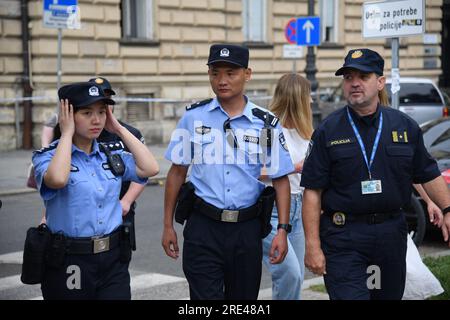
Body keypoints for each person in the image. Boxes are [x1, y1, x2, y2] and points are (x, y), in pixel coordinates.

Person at [300, 48, 450, 300]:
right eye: (348, 77)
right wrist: (312, 246)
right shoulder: (328, 130)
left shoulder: (404, 127)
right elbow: (312, 191)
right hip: (343, 237)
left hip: (389, 236)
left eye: (363, 76)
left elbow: (427, 172)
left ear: (380, 82)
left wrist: (447, 210)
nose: (354, 83)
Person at [162, 43, 294, 300]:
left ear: (247, 74)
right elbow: (177, 173)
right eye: (215, 73)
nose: (221, 80)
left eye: (230, 73)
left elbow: (280, 179)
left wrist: (283, 230)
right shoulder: (193, 118)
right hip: (203, 227)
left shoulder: (264, 122)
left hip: (246, 230)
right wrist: (167, 225)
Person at [32, 82, 159, 299]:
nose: (97, 119)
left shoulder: (110, 155)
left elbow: (151, 168)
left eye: (102, 112)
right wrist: (66, 134)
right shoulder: (48, 156)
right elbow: (58, 179)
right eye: (87, 112)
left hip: (112, 259)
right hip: (71, 260)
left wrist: (118, 128)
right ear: (68, 115)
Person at [261, 73, 313, 300]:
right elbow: (254, 170)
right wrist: (293, 167)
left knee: (296, 276)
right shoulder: (268, 130)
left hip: (300, 208)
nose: (311, 101)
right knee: (289, 273)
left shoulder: (307, 133)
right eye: (308, 96)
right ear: (297, 99)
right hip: (272, 208)